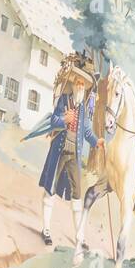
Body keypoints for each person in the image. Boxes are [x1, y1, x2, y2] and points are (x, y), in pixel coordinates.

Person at [37, 51, 100, 248]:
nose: (80, 86)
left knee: (77, 195)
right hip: (59, 153)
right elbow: (52, 121)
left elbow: (87, 131)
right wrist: (63, 119)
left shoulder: (83, 110)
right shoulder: (64, 101)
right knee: (51, 189)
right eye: (78, 83)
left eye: (83, 84)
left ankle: (80, 238)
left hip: (74, 156)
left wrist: (97, 141)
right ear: (73, 83)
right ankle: (46, 229)